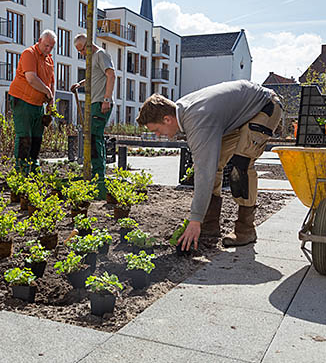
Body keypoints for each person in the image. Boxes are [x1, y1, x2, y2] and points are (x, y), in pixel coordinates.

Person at [136, 80, 282, 250]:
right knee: (215, 162)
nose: (159, 135)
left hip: (264, 106)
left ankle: (246, 229)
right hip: (243, 113)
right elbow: (207, 167)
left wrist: (195, 219)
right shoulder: (183, 111)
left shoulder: (198, 121)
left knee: (241, 167)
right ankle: (210, 226)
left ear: (167, 119)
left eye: (156, 130)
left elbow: (204, 173)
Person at [70, 33, 115, 199]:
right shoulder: (92, 59)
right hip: (94, 103)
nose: (81, 54)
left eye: (81, 50)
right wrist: (80, 84)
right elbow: (94, 78)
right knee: (92, 138)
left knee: (95, 139)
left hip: (101, 103)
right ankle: (95, 178)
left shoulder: (101, 55)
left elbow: (111, 75)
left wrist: (107, 99)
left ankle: (99, 180)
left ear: (88, 45)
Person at [8, 30, 56, 174]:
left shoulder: (49, 60)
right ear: (39, 40)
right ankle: (21, 169)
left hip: (38, 104)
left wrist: (51, 102)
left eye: (51, 47)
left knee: (37, 137)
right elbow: (31, 78)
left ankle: (33, 165)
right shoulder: (29, 53)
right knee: (24, 136)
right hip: (22, 100)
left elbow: (51, 82)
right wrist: (47, 91)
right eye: (46, 45)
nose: (48, 49)